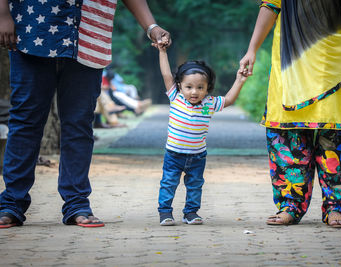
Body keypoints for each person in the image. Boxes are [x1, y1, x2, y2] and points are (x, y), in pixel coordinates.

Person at [0, 0, 170, 228]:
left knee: (79, 123)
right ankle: (12, 202)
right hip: (33, 29)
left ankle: (76, 203)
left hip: (89, 36)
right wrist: (2, 13)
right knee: (25, 120)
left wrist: (151, 27)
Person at [239, 0, 341, 228]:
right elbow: (270, 5)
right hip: (291, 62)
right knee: (288, 138)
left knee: (336, 138)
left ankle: (336, 208)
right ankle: (290, 206)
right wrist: (252, 49)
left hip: (334, 59)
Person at [153, 39, 248, 226]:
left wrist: (240, 80)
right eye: (189, 87)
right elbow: (166, 73)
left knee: (195, 186)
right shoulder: (176, 97)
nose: (194, 92)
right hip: (173, 154)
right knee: (168, 184)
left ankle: (191, 213)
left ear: (207, 88)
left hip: (197, 156)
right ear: (180, 86)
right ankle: (165, 213)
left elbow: (228, 99)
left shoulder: (209, 104)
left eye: (200, 87)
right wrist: (162, 52)